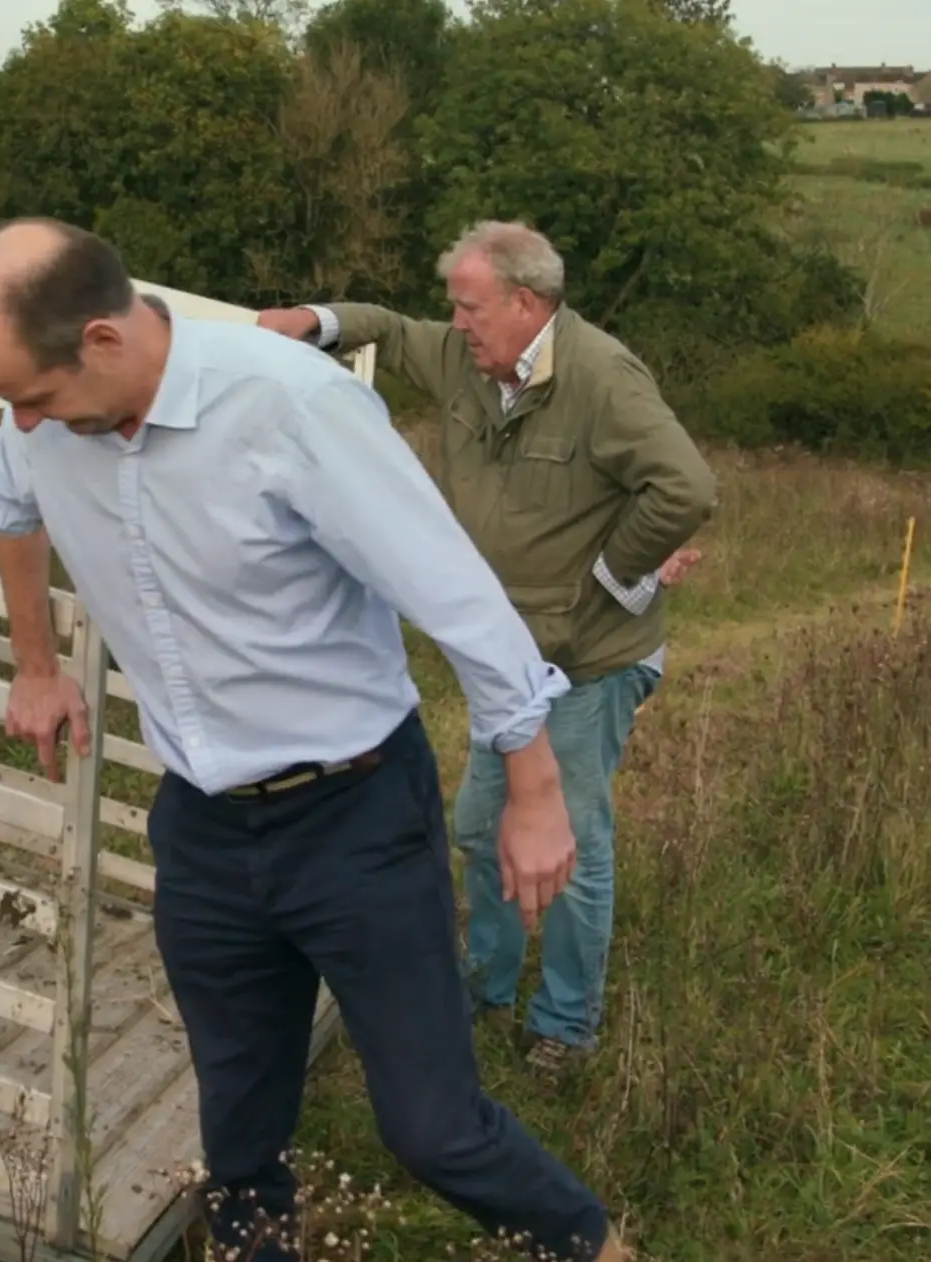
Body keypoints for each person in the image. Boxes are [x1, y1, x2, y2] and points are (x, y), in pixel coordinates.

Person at [0, 217, 626, 1262]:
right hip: (202, 829)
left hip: (353, 813)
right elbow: (7, 503)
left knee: (431, 1124)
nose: (19, 423)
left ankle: (590, 1242)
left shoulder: (289, 403)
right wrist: (36, 662)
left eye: (31, 398)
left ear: (99, 338)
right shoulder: (42, 424)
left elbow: (453, 595)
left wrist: (534, 787)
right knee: (236, 1117)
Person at [256, 222, 717, 1076]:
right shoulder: (470, 363)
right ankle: (485, 985)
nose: (458, 324)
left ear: (526, 303)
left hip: (589, 662)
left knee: (567, 846)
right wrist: (309, 321)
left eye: (470, 308)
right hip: (507, 663)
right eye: (455, 308)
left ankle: (566, 1026)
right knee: (480, 827)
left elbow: (685, 485)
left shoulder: (601, 378)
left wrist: (618, 579)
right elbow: (389, 331)